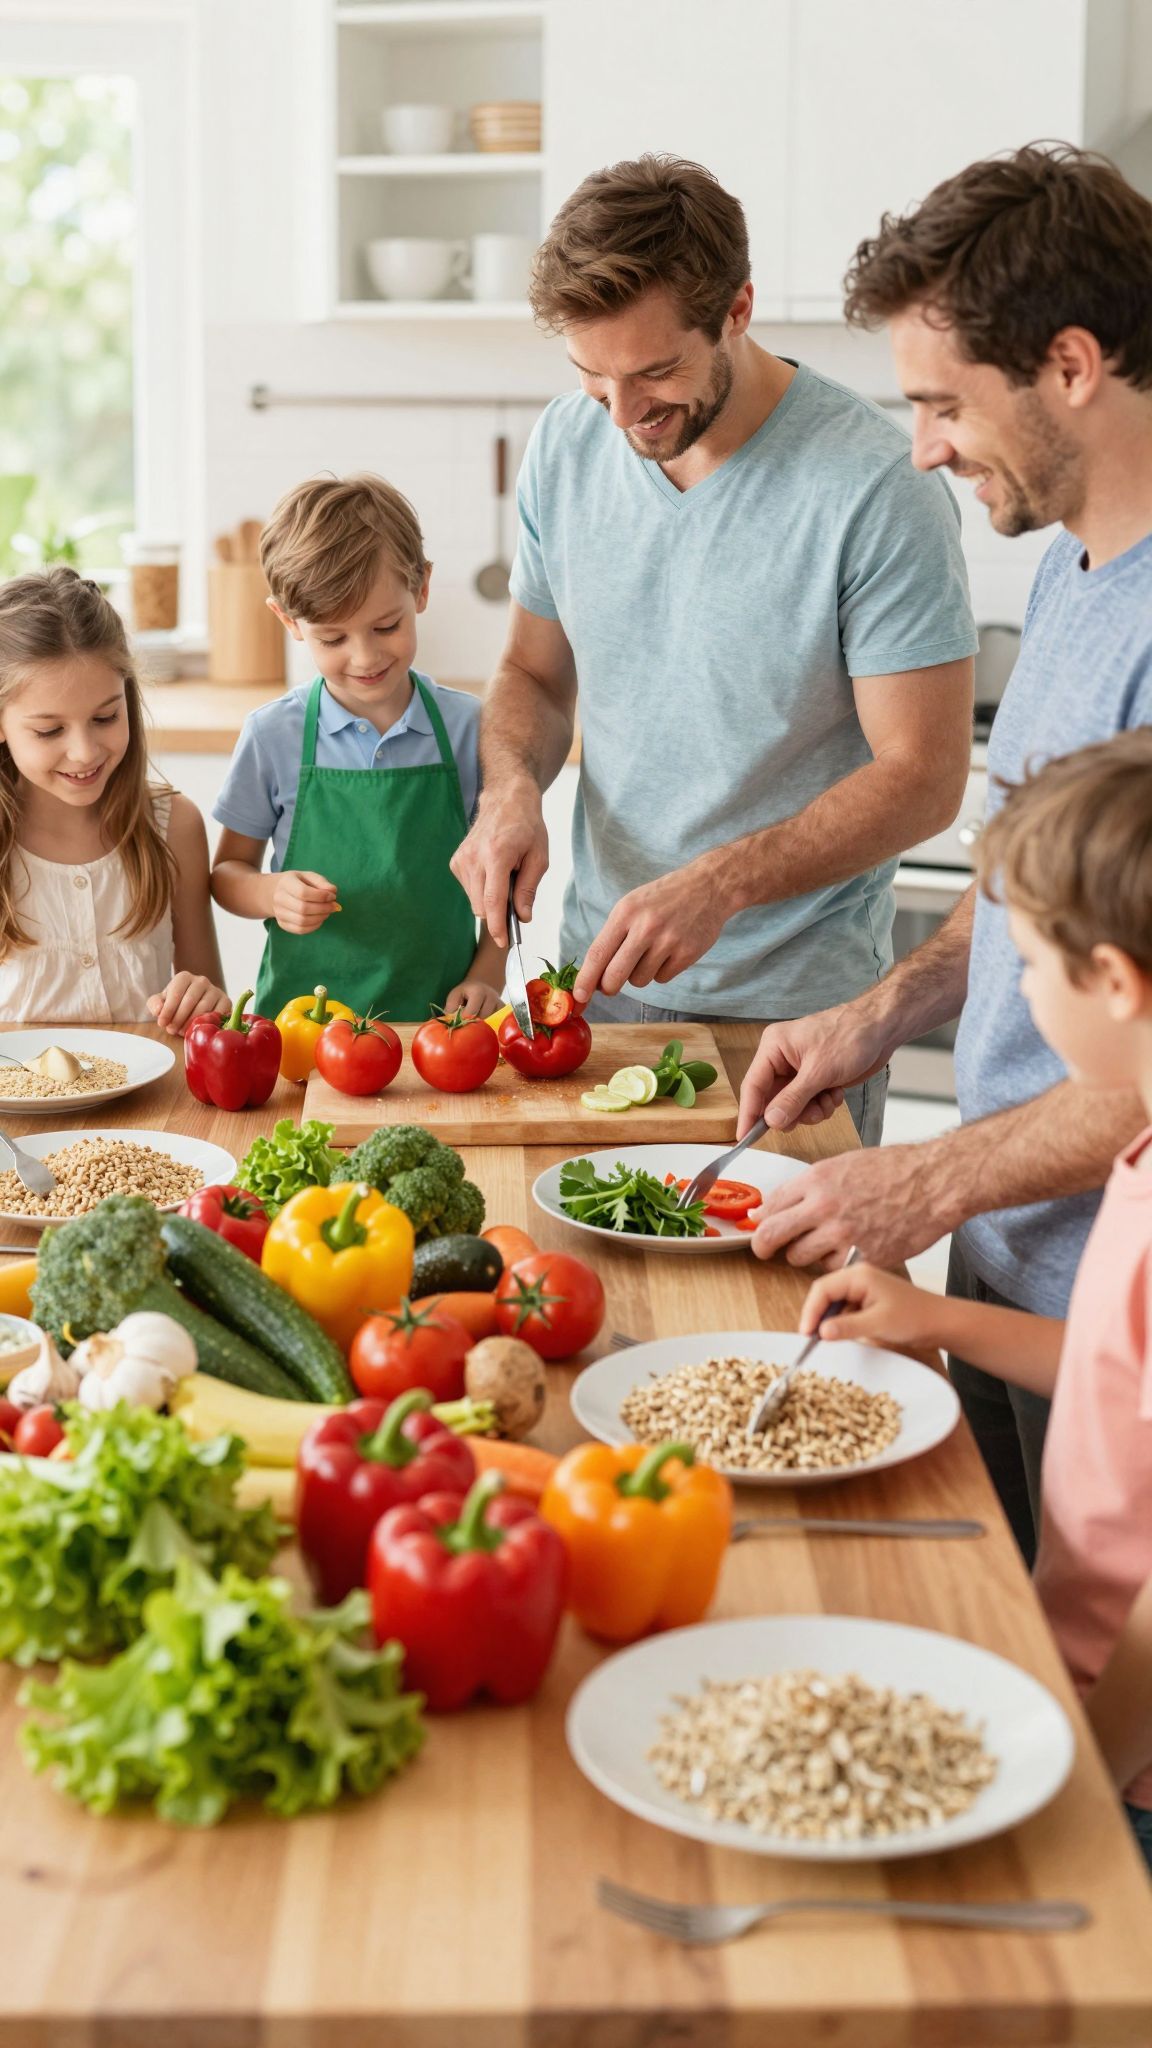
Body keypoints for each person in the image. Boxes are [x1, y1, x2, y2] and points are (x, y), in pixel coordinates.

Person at [739, 143, 1152, 1562]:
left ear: (1073, 367)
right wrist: (878, 1012)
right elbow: (1025, 886)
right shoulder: (1073, 563)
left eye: (942, 404)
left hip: (1118, 1327)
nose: (922, 446)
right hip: (1008, 1267)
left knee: (1101, 1749)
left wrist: (923, 1181)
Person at [451, 154, 977, 1146]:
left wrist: (721, 882)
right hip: (595, 997)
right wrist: (511, 786)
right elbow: (531, 673)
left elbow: (925, 776)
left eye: (654, 372)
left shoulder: (875, 488)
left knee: (763, 1299)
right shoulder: (570, 444)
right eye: (592, 376)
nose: (623, 412)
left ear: (736, 309)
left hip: (795, 1025)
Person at [799, 733, 1152, 1876]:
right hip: (1084, 1676)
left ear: (1113, 981)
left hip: (1125, 1754)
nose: (1015, 997)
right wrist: (939, 1324)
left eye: (1027, 966)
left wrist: (1077, 1771)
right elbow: (1116, 1366)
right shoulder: (1137, 1157)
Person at [211, 474, 504, 1021]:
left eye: (386, 626)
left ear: (421, 587)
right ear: (288, 621)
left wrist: (490, 967)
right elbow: (227, 872)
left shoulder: (471, 728)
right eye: (333, 638)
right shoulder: (272, 735)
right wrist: (271, 894)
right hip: (304, 1032)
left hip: (442, 1025)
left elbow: (503, 874)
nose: (365, 657)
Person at [0, 567, 226, 1032]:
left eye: (105, 717)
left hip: (152, 1105)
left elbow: (211, 1014)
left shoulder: (173, 826)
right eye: (49, 730)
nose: (84, 751)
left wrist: (204, 1003)